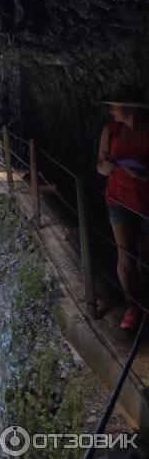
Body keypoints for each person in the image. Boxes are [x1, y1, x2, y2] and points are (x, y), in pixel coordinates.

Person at [97, 86, 149, 331]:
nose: (111, 110)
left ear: (129, 108)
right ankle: (133, 307)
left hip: (145, 200)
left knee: (145, 257)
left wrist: (141, 173)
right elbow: (100, 165)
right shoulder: (110, 131)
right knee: (125, 255)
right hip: (117, 199)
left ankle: (145, 303)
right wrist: (107, 168)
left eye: (114, 105)